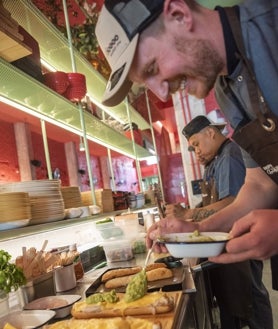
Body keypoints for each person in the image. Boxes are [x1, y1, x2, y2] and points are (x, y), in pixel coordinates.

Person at [95, 0, 278, 267]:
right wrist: (196, 231)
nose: (161, 92)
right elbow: (261, 185)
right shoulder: (225, 92)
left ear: (179, 14)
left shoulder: (271, 27)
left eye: (152, 68)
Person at [165, 115, 273, 329]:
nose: (196, 151)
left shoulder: (230, 156)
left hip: (239, 237)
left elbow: (231, 201)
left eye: (196, 144)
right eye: (192, 148)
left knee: (250, 298)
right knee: (235, 300)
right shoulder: (216, 160)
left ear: (210, 133)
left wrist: (190, 215)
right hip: (225, 238)